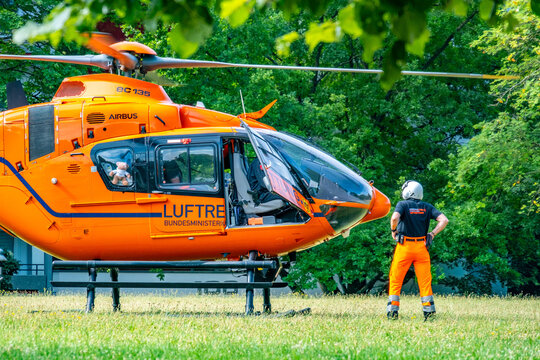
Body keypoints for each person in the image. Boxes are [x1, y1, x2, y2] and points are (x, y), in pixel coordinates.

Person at [387, 180, 448, 321]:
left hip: (404, 247)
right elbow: (444, 220)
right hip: (421, 247)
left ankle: (392, 313)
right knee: (425, 282)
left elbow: (395, 217)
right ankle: (429, 313)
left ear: (408, 191)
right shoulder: (427, 207)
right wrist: (432, 234)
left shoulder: (402, 204)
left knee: (396, 280)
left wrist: (393, 230)